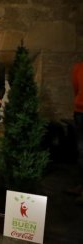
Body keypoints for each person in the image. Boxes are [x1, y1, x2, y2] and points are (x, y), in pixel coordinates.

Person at [70, 61, 83, 205]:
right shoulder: (78, 67)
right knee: (81, 151)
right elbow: (76, 88)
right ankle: (80, 185)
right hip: (80, 112)